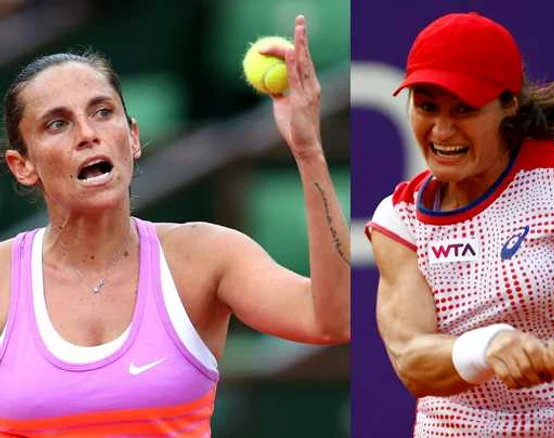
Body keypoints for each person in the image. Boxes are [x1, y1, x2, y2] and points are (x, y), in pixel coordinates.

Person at [0, 14, 349, 436]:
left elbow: (335, 319)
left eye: (103, 112)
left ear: (132, 137)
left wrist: (308, 149)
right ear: (23, 166)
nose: (88, 133)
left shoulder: (204, 256)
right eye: (58, 124)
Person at [365, 12, 554, 438]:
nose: (442, 129)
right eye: (427, 107)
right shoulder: (398, 217)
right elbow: (410, 359)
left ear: (509, 104)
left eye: (465, 109)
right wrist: (487, 346)